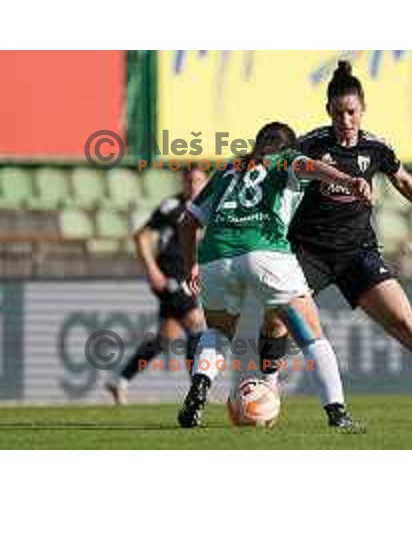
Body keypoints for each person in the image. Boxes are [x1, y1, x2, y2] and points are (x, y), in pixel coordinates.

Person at [257, 61, 412, 427]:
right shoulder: (311, 144)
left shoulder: (376, 148)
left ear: (362, 110)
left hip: (357, 254)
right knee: (276, 317)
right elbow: (277, 175)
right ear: (328, 111)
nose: (345, 119)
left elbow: (403, 180)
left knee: (406, 322)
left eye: (351, 112)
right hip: (308, 252)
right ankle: (268, 395)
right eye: (338, 113)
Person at [177, 122, 370, 430]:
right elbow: (313, 167)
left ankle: (199, 388)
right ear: (288, 146)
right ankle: (337, 414)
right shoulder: (288, 160)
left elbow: (187, 222)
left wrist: (191, 266)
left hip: (216, 257)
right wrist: (349, 180)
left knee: (218, 333)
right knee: (312, 336)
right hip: (266, 254)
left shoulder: (231, 167)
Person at [105, 166, 207, 405]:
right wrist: (152, 270)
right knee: (196, 325)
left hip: (185, 278)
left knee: (165, 338)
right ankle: (198, 390)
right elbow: (141, 236)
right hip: (170, 277)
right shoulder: (172, 207)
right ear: (182, 182)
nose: (193, 186)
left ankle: (120, 380)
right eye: (189, 181)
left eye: (198, 181)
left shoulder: (204, 208)